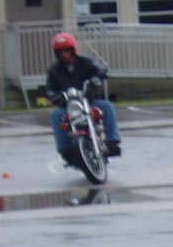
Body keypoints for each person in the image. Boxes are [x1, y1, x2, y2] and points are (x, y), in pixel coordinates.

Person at [46, 32, 122, 162]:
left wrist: (98, 77)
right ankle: (65, 150)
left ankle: (113, 142)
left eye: (67, 51)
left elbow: (99, 71)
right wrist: (54, 96)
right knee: (56, 115)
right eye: (61, 52)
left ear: (73, 50)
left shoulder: (85, 62)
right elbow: (50, 89)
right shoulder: (54, 70)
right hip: (69, 107)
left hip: (88, 102)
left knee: (107, 106)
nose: (64, 54)